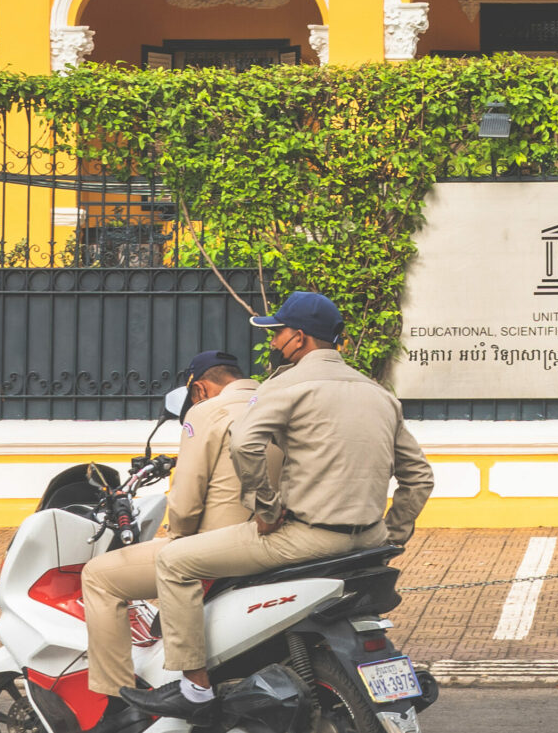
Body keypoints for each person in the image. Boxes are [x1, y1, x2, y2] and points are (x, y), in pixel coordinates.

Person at [145, 290, 435, 719]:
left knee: (173, 563)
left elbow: (244, 442)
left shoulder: (286, 384)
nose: (274, 342)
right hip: (368, 544)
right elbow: (419, 477)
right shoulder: (378, 394)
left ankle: (196, 689)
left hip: (304, 539)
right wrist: (390, 534)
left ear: (299, 338)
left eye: (278, 332)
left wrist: (265, 508)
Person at [82, 351, 258, 706]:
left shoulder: (207, 412)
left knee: (98, 576)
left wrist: (178, 536)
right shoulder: (279, 403)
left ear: (200, 390)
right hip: (273, 540)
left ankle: (118, 703)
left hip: (215, 548)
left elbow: (186, 502)